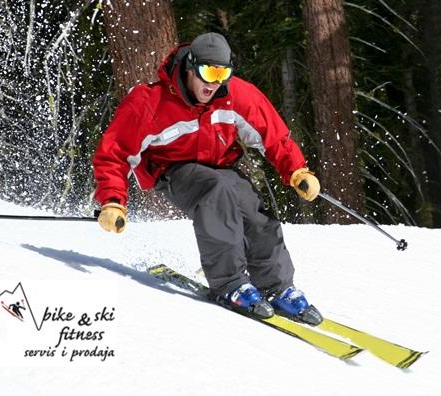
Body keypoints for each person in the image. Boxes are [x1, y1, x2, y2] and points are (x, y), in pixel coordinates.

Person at [92, 32, 323, 325]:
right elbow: (114, 154)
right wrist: (112, 201)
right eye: (208, 72)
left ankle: (277, 287)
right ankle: (229, 283)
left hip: (220, 167)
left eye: (222, 73)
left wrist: (297, 170)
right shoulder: (150, 103)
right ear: (191, 67)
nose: (214, 83)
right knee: (217, 190)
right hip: (173, 170)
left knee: (252, 209)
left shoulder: (235, 95)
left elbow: (273, 136)